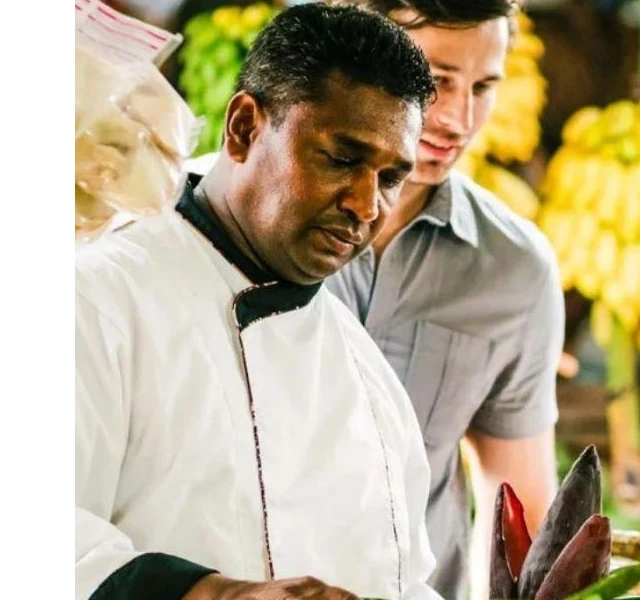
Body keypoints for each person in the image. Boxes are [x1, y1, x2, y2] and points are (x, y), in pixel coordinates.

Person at [76, 5, 443, 600]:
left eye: (390, 177)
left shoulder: (367, 378)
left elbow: (407, 581)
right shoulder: (99, 298)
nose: (367, 204)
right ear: (244, 127)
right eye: (341, 158)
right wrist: (216, 594)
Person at [325, 3, 564, 599]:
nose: (459, 118)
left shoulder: (514, 272)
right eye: (435, 81)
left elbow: (522, 513)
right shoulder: (217, 217)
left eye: (484, 87)